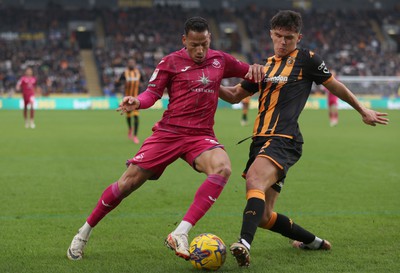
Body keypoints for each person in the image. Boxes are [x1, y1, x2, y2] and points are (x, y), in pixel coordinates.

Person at [67, 16, 263, 261]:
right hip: (169, 133)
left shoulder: (221, 59)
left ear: (209, 39)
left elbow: (251, 72)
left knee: (222, 167)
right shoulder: (170, 62)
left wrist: (256, 69)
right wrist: (137, 101)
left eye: (204, 43)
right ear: (184, 40)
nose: (200, 50)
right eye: (194, 45)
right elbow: (152, 93)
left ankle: (180, 232)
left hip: (201, 136)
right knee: (127, 183)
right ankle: (83, 233)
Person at [219, 10, 389, 267]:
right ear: (271, 34)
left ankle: (243, 243)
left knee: (254, 178)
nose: (283, 42)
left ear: (299, 37)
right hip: (259, 141)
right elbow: (233, 95)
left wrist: (362, 109)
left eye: (289, 37)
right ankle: (314, 242)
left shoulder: (308, 60)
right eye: (278, 36)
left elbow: (335, 86)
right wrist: (208, 83)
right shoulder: (264, 66)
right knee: (264, 216)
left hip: (284, 139)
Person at [114, 58, 144, 143]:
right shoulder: (124, 73)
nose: (131, 64)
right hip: (127, 99)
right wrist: (117, 82)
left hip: (135, 99)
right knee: (128, 115)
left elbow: (144, 81)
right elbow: (118, 83)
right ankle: (130, 128)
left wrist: (141, 88)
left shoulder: (139, 73)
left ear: (135, 64)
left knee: (136, 116)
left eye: (133, 62)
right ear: (128, 64)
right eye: (130, 62)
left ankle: (135, 136)